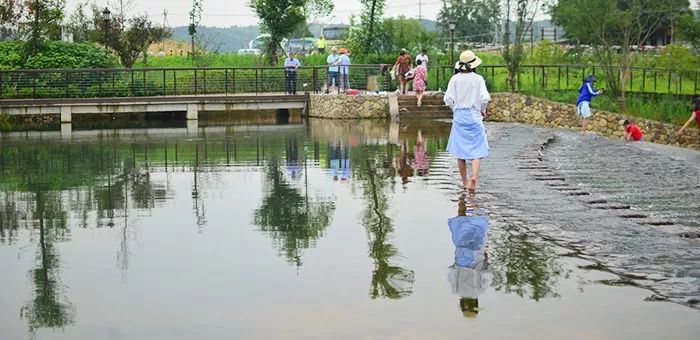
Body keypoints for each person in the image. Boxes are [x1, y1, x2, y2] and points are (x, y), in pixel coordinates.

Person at [444, 50, 490, 192]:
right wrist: (483, 110)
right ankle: (474, 177)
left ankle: (464, 182)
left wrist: (455, 110)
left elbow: (447, 99)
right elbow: (485, 98)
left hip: (459, 117)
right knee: (477, 149)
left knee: (460, 152)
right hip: (474, 116)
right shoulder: (478, 79)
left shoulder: (455, 79)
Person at [447, 194, 490, 319]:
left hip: (477, 251)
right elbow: (452, 269)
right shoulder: (455, 289)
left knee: (479, 221)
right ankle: (463, 197)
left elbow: (486, 270)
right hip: (461, 249)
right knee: (461, 219)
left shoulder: (480, 290)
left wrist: (486, 256)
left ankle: (473, 197)